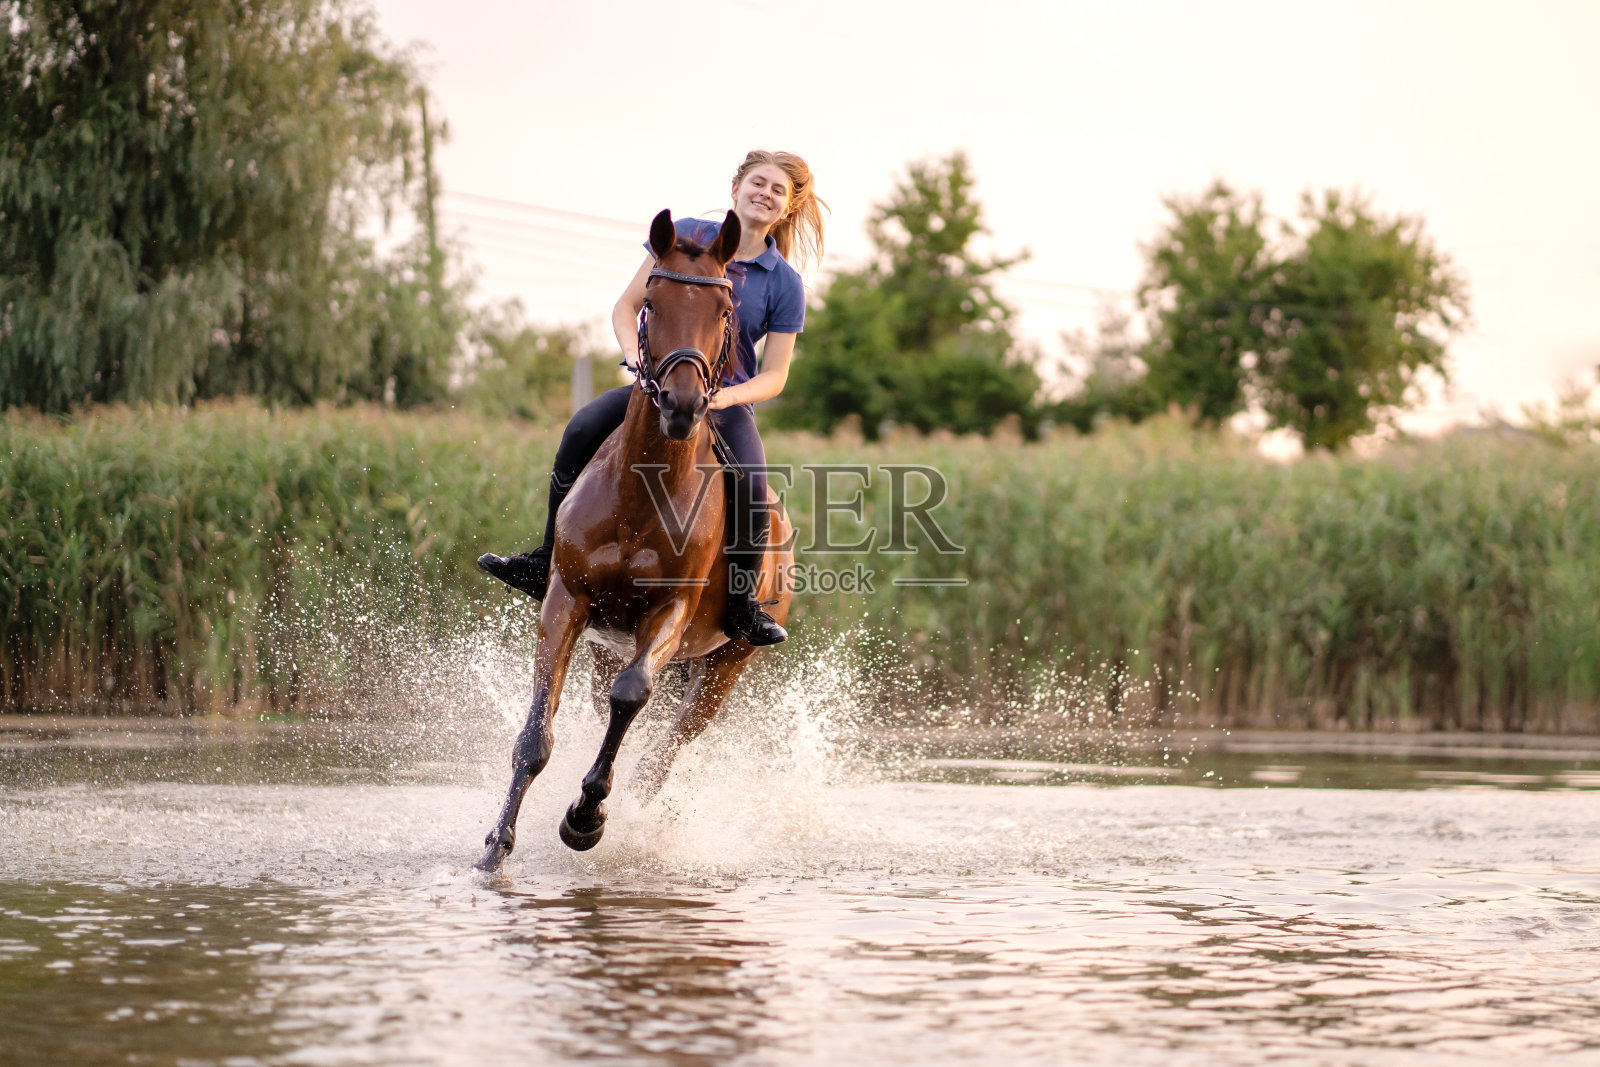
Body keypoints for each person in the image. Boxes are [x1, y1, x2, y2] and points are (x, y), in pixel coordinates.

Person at [478, 149, 826, 646]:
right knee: (581, 427)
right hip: (656, 388)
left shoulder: (785, 283)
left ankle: (744, 604)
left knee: (753, 486)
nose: (765, 194)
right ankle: (543, 558)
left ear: (786, 209)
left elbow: (775, 376)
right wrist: (633, 357)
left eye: (778, 191)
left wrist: (726, 399)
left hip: (722, 405)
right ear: (736, 188)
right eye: (759, 182)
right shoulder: (685, 235)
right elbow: (627, 305)